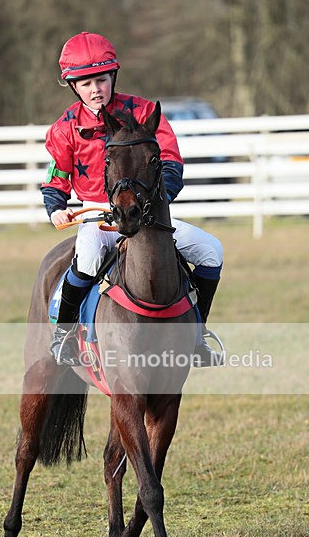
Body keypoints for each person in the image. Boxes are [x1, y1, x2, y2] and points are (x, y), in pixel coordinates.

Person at [41, 32, 223, 366]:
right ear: (72, 87)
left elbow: (170, 162)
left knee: (211, 251)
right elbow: (56, 179)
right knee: (88, 259)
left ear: (113, 76)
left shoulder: (143, 112)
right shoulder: (64, 127)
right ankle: (63, 336)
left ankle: (196, 336)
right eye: (85, 83)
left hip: (150, 218)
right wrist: (55, 208)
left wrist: (153, 200)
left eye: (101, 79)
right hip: (99, 220)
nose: (95, 89)